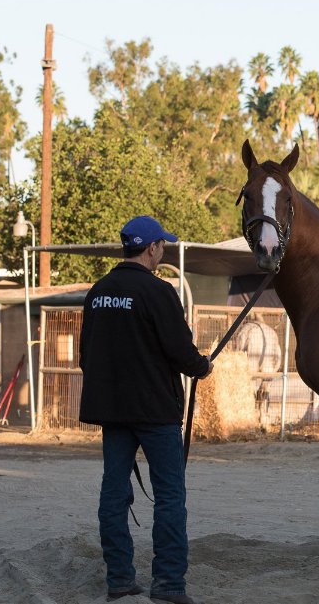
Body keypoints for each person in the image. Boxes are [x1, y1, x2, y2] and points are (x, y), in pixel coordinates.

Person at [79, 215, 213, 604]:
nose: (163, 252)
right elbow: (180, 350)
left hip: (113, 412)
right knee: (170, 495)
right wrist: (202, 366)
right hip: (155, 412)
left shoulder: (98, 292)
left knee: (113, 493)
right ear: (151, 248)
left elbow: (87, 354)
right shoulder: (159, 292)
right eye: (162, 247)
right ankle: (169, 583)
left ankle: (119, 580)